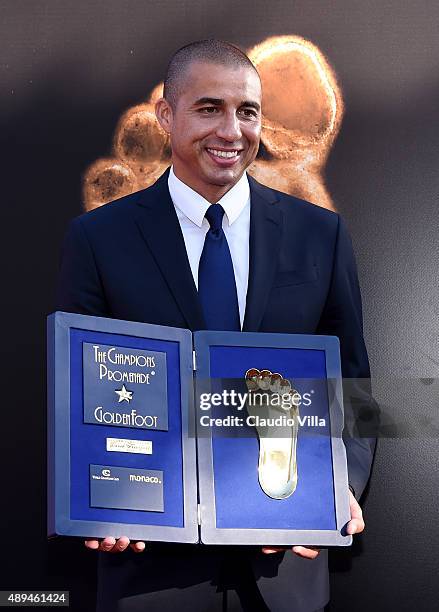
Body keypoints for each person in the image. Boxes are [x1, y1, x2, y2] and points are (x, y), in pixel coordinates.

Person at [56, 39, 376, 612]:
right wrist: (97, 496)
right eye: (209, 108)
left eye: (247, 112)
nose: (231, 130)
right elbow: (82, 391)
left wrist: (339, 487)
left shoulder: (320, 235)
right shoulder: (98, 239)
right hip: (148, 569)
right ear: (166, 116)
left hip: (285, 571)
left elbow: (351, 381)